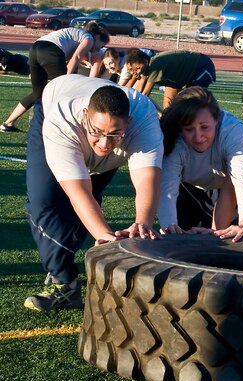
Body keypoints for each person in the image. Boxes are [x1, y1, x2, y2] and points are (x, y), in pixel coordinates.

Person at [24, 74, 163, 312]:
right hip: (51, 111)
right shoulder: (62, 120)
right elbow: (77, 190)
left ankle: (64, 267)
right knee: (44, 200)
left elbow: (147, 177)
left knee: (86, 210)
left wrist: (143, 222)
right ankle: (64, 282)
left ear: (128, 122)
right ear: (85, 116)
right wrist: (104, 237)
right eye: (97, 131)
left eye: (114, 134)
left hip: (105, 121)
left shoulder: (144, 118)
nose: (104, 143)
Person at [157, 87, 243, 242]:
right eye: (189, 129)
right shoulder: (174, 140)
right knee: (176, 236)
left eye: (204, 127)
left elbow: (242, 177)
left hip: (224, 188)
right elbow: (167, 187)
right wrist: (169, 224)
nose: (198, 137)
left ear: (216, 119)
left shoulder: (232, 131)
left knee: (227, 240)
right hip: (187, 188)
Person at [1, 22, 110, 133]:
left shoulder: (76, 34)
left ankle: (8, 123)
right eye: (101, 45)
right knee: (61, 92)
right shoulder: (89, 39)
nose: (98, 49)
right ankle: (49, 127)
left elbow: (69, 59)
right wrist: (65, 79)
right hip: (51, 52)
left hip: (35, 48)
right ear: (97, 37)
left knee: (37, 93)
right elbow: (76, 57)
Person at [125, 49, 216, 110]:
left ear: (145, 61)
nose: (136, 71)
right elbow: (139, 90)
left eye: (137, 68)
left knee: (193, 102)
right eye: (133, 70)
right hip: (189, 73)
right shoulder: (146, 68)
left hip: (202, 66)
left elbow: (145, 94)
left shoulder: (155, 64)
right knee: (174, 106)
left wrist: (133, 110)